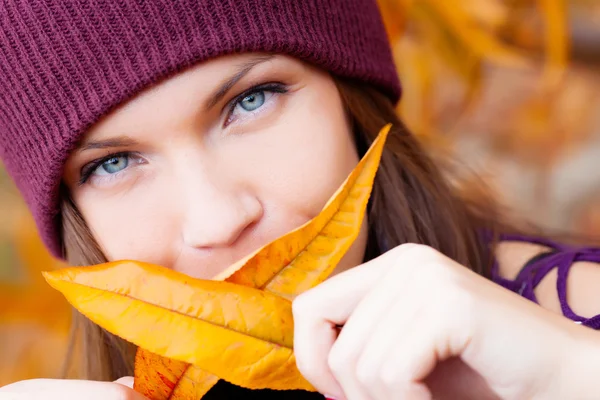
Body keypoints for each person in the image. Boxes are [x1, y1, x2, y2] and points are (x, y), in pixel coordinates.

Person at [1, 0, 599, 399]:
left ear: (351, 99)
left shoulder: (568, 322)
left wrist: (566, 375)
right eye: (112, 164)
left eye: (252, 100)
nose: (219, 221)